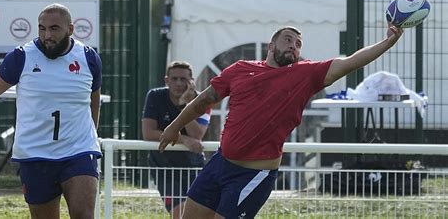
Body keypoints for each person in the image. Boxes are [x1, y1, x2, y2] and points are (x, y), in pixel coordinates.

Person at [159, 24, 404, 218]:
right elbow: (204, 100)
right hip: (220, 164)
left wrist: (388, 42)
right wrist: (173, 127)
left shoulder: (305, 74)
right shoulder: (240, 69)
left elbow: (350, 62)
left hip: (253, 175)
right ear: (271, 44)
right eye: (288, 40)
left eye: (298, 44)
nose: (294, 46)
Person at [0, 3, 102, 219]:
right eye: (42, 28)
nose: (46, 35)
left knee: (83, 215)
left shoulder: (89, 58)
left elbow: (94, 99)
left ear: (70, 29)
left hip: (78, 150)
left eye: (54, 29)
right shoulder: (21, 57)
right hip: (36, 154)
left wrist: (91, 137)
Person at [142, 60, 211, 218]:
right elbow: (148, 133)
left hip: (193, 166)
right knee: (179, 213)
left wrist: (185, 105)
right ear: (167, 80)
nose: (179, 83)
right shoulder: (155, 96)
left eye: (184, 79)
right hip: (163, 167)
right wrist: (183, 139)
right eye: (174, 79)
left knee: (199, 214)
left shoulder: (203, 100)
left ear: (191, 81)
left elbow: (197, 135)